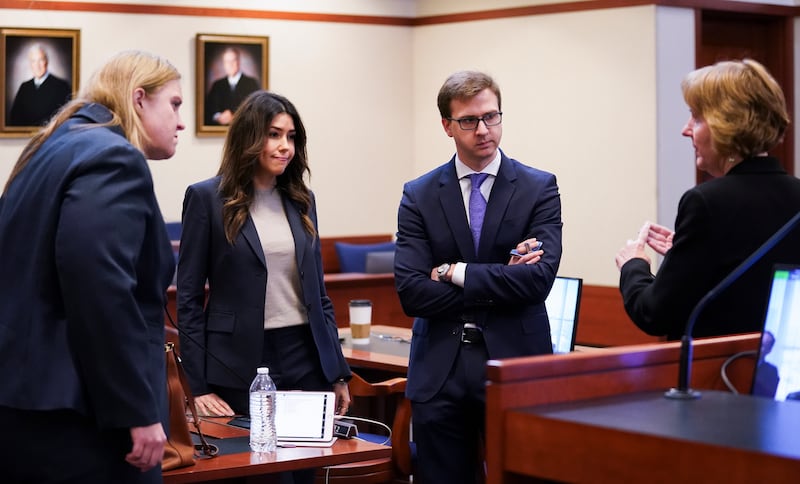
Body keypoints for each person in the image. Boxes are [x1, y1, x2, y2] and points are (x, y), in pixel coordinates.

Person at [0, 50, 185, 483]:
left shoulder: (50, 146)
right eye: (174, 104)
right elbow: (98, 287)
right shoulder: (113, 158)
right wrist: (136, 409)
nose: (180, 122)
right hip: (83, 421)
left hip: (25, 407)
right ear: (139, 99)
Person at [394, 70, 563, 483]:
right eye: (469, 121)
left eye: (492, 117)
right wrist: (501, 281)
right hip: (441, 368)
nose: (483, 130)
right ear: (447, 126)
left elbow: (537, 282)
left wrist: (455, 273)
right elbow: (412, 293)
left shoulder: (538, 188)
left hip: (514, 361)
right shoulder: (419, 194)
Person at [178, 90, 351, 483]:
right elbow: (187, 298)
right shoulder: (207, 198)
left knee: (306, 472)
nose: (285, 147)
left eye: (291, 137)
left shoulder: (302, 200)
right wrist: (197, 387)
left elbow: (318, 294)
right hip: (238, 363)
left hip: (304, 358)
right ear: (250, 136)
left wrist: (337, 372)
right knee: (260, 475)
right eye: (274, 135)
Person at [615, 59, 800, 340]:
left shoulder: (706, 202)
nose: (685, 129)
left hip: (717, 374)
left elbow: (654, 314)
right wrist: (688, 254)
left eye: (696, 117)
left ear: (725, 124)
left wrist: (634, 265)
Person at [8, 43, 73, 126]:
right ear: (30, 64)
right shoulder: (24, 87)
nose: (37, 65)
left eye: (41, 60)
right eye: (33, 61)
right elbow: (14, 118)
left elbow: (66, 119)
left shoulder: (61, 86)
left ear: (46, 62)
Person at [204, 47, 260, 126]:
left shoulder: (252, 83)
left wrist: (235, 117)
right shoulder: (217, 85)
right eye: (227, 62)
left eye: (233, 60)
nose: (230, 65)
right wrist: (218, 116)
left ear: (238, 62)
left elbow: (257, 109)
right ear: (224, 64)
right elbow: (209, 110)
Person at [752, 331, 779, 398]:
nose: (757, 346)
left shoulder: (772, 371)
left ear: (769, 350)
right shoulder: (741, 361)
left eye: (762, 345)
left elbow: (768, 397)